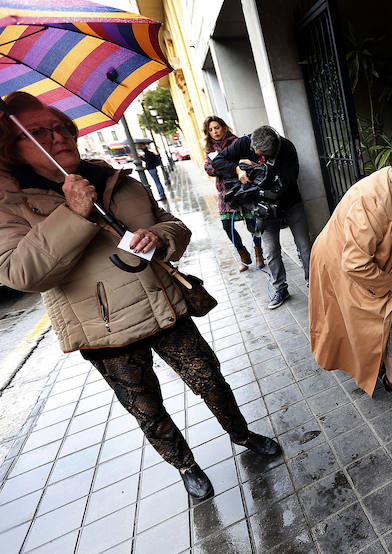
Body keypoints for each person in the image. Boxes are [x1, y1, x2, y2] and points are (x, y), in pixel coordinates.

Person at [0, 92, 281, 501]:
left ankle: (242, 434)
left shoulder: (114, 178)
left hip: (162, 305)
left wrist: (161, 238)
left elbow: (172, 224)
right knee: (146, 408)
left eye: (61, 127)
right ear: (13, 148)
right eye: (40, 133)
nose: (58, 137)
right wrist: (71, 213)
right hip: (105, 332)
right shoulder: (11, 203)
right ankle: (185, 464)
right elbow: (20, 273)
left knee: (211, 379)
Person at [309, 130, 392, 397]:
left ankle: (386, 357)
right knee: (391, 306)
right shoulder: (375, 201)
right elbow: (355, 263)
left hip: (358, 256)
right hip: (342, 263)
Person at [211, 125, 312, 309]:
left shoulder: (287, 148)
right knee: (271, 250)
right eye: (257, 153)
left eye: (265, 155)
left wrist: (256, 168)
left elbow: (287, 183)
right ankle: (280, 289)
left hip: (290, 203)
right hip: (262, 209)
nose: (261, 156)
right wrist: (237, 169)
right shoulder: (245, 142)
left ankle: (313, 285)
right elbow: (216, 162)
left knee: (304, 246)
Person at [202, 116, 264, 272]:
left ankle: (259, 253)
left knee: (252, 221)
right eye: (210, 130)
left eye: (216, 127)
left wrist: (223, 165)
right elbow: (209, 169)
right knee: (226, 225)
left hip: (243, 187)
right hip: (224, 191)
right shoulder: (210, 148)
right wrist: (230, 166)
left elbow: (244, 162)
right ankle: (243, 255)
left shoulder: (236, 142)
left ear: (223, 127)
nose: (214, 132)